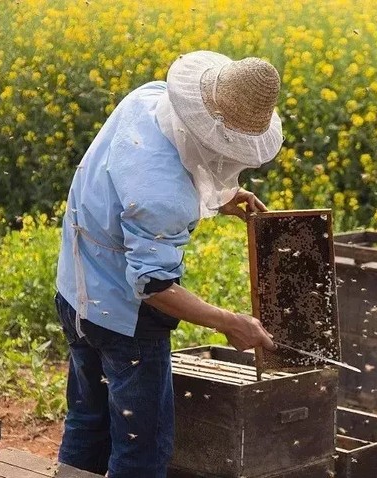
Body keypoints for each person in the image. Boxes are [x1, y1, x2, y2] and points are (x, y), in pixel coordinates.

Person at [54, 51, 281, 477]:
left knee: (89, 421)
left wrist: (220, 197)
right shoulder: (163, 198)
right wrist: (229, 322)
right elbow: (155, 286)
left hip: (73, 292)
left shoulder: (148, 99)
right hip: (123, 321)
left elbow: (138, 174)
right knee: (143, 447)